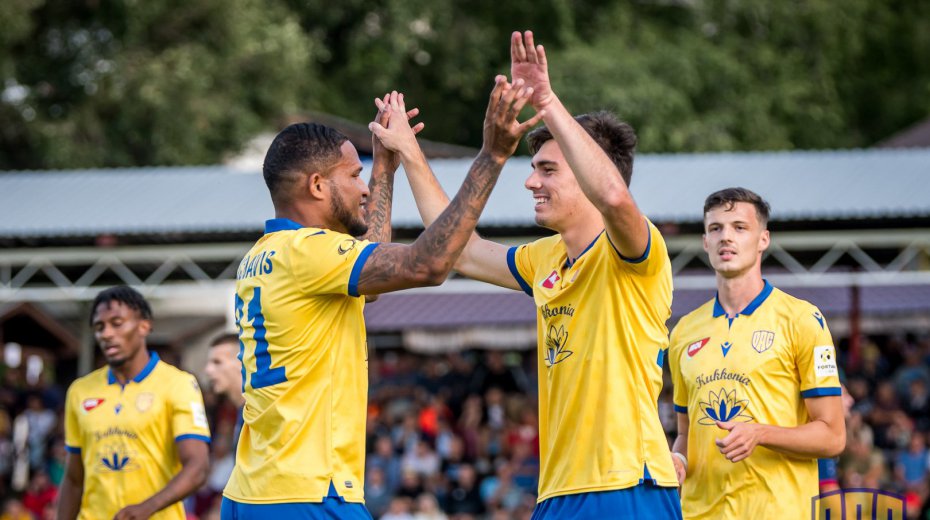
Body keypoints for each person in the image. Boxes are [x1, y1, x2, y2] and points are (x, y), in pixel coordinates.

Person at [390, 30, 681, 519]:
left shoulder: (634, 249)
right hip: (557, 491)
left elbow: (613, 197)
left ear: (588, 172)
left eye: (548, 169)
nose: (530, 181)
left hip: (627, 484)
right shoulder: (543, 258)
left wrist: (546, 102)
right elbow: (460, 250)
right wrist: (409, 154)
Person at [221, 82, 542, 520]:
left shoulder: (262, 256)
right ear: (317, 185)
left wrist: (384, 168)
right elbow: (428, 265)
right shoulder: (309, 252)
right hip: (307, 493)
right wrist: (492, 156)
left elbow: (370, 284)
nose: (363, 188)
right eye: (354, 175)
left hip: (251, 491)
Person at [668, 188, 846, 519]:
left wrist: (760, 433)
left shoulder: (802, 319)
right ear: (705, 242)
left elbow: (833, 436)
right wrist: (677, 460)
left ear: (763, 239)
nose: (726, 237)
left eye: (739, 227)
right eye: (716, 228)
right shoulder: (683, 332)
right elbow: (685, 435)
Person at [57, 286, 211, 520]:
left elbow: (198, 467)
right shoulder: (80, 391)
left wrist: (149, 506)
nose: (106, 334)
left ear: (144, 326)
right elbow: (74, 479)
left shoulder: (178, 384)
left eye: (116, 323)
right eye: (99, 327)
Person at [204, 332, 245, 448]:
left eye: (217, 362)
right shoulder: (242, 412)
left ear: (242, 362)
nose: (208, 370)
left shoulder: (258, 413)